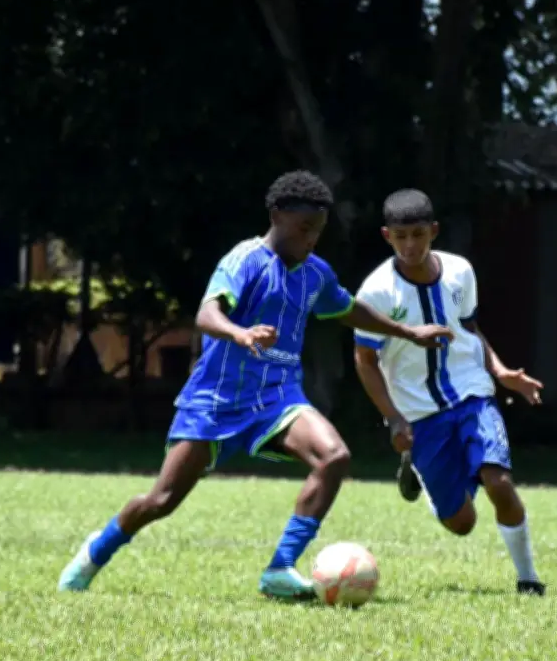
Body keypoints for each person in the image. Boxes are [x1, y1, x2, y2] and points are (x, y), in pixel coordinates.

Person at [58, 171, 452, 600]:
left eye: (318, 232)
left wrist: (409, 333)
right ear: (277, 215)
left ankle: (280, 569)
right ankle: (96, 552)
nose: (311, 240)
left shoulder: (314, 274)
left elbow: (348, 310)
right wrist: (240, 334)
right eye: (304, 229)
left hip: (277, 399)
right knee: (161, 500)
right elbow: (207, 314)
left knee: (334, 456)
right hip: (214, 403)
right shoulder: (244, 259)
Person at [353, 188, 546, 595]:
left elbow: (469, 331)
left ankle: (529, 579)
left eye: (418, 235)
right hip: (419, 415)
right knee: (462, 524)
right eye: (401, 236)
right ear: (387, 236)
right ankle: (418, 472)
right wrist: (394, 419)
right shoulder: (375, 293)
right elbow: (365, 362)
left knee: (499, 483)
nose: (410, 245)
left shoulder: (460, 272)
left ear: (434, 231)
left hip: (472, 395)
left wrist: (500, 371)